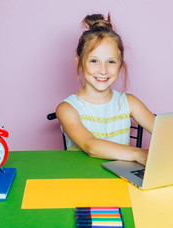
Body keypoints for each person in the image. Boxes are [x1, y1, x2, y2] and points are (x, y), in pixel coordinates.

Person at [56, 13, 155, 165]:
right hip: (81, 180)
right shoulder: (67, 109)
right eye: (94, 60)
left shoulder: (130, 102)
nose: (103, 70)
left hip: (121, 180)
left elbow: (165, 134)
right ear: (79, 60)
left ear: (120, 63)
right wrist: (137, 153)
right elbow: (91, 145)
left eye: (111, 62)